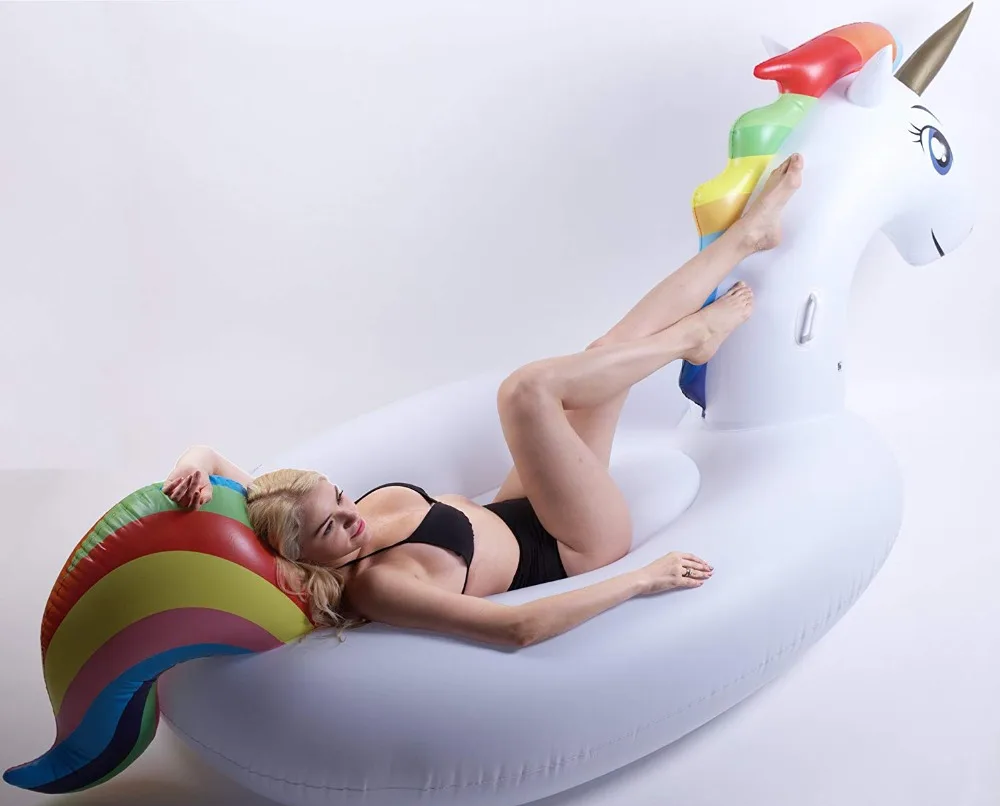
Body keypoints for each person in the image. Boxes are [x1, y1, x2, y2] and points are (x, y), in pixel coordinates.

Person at [164, 154, 805, 649]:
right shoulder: (379, 584)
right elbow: (516, 630)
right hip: (574, 545)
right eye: (329, 527)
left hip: (521, 507)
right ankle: (690, 340)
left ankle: (747, 238)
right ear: (299, 557)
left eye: (336, 497)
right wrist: (643, 578)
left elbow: (222, 465)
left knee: (606, 351)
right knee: (526, 392)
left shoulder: (303, 513)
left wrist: (195, 463)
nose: (347, 515)